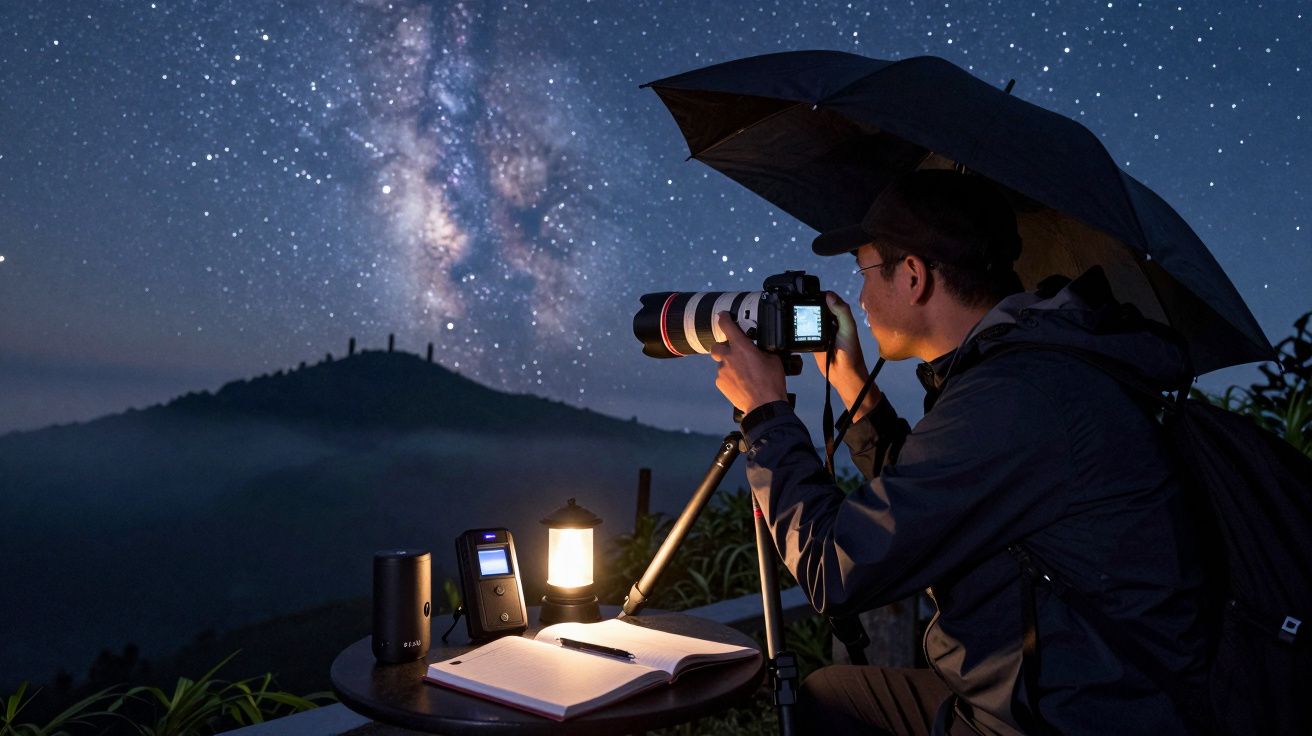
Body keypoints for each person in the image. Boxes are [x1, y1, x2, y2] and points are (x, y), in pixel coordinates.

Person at [708, 169, 1209, 735]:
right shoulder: (1029, 368)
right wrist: (853, 386)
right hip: (1078, 687)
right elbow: (931, 502)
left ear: (915, 276)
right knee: (835, 694)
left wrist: (765, 415)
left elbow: (833, 571)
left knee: (830, 701)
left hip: (1065, 717)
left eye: (867, 273)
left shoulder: (1014, 398)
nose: (862, 299)